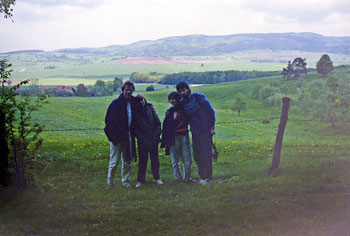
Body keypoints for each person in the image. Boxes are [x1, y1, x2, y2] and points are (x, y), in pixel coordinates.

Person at [176, 82, 216, 185]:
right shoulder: (182, 103)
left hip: (205, 129)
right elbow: (175, 109)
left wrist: (212, 127)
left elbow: (211, 112)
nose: (182, 92)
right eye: (180, 91)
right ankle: (202, 175)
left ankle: (207, 177)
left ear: (188, 89)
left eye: (183, 90)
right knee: (197, 155)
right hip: (194, 132)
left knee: (206, 154)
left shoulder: (199, 97)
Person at [104, 80, 138, 188]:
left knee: (127, 161)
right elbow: (108, 122)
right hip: (116, 137)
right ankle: (110, 182)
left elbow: (143, 107)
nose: (128, 92)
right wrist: (113, 137)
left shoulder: (134, 103)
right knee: (114, 161)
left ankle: (125, 181)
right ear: (123, 90)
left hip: (128, 136)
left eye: (131, 90)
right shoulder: (115, 104)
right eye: (127, 90)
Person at [161, 92, 195, 182]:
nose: (172, 100)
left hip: (184, 136)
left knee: (187, 158)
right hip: (174, 137)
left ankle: (187, 178)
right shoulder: (170, 111)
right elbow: (167, 126)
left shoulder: (185, 109)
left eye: (174, 98)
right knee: (175, 160)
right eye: (170, 99)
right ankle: (178, 178)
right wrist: (171, 118)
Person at [134, 94, 163, 188]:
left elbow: (158, 123)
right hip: (142, 141)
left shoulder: (151, 110)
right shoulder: (136, 113)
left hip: (153, 139)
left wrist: (155, 135)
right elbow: (135, 129)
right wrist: (142, 138)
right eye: (139, 101)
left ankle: (157, 177)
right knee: (142, 160)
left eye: (142, 100)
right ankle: (140, 180)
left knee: (155, 159)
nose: (141, 102)